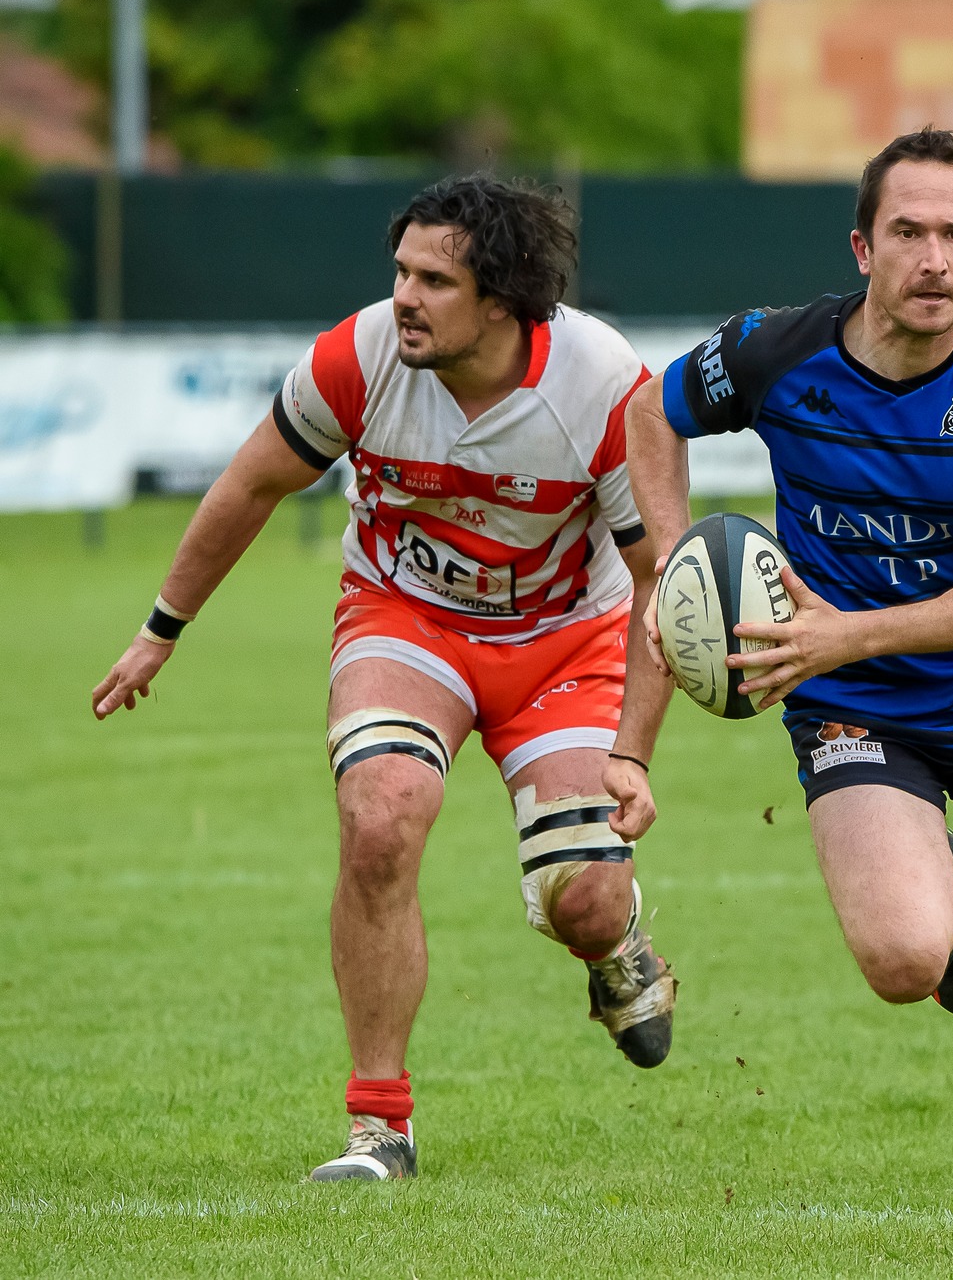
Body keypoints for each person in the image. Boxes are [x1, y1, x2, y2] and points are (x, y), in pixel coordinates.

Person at [90, 175, 680, 1182]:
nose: (403, 296)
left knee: (580, 899)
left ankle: (614, 944)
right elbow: (252, 481)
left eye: (434, 280)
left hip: (566, 647)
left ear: (502, 300)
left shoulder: (604, 385)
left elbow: (655, 577)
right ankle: (379, 1126)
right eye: (401, 270)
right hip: (405, 624)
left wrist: (631, 750)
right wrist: (161, 630)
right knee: (380, 814)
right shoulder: (361, 354)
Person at [606, 128, 953, 1251]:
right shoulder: (777, 351)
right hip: (854, 704)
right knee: (904, 963)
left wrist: (843, 632)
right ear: (862, 246)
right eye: (906, 233)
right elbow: (650, 410)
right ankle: (935, 887)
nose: (931, 259)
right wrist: (669, 558)